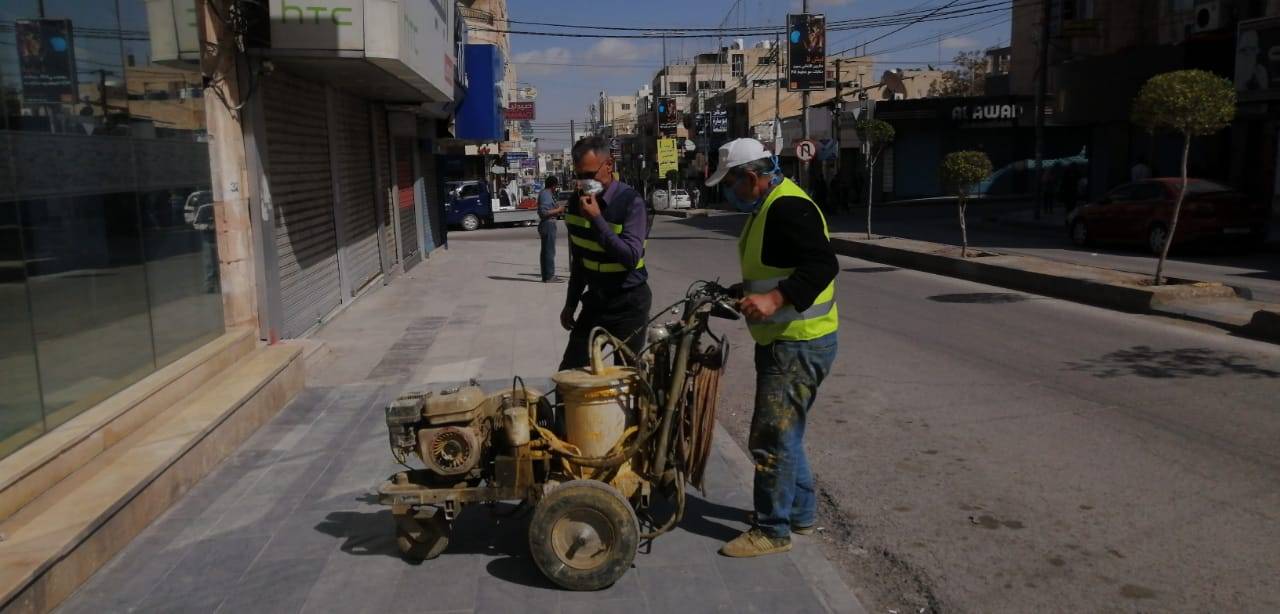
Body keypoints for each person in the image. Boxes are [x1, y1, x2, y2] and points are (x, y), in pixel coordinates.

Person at [705, 138, 839, 558]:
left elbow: (822, 263)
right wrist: (742, 292)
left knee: (770, 437)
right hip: (786, 340)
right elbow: (777, 267)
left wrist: (776, 300)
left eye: (730, 184)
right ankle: (799, 512)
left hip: (797, 344)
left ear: (750, 177)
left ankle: (772, 529)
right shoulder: (770, 205)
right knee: (787, 434)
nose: (728, 194)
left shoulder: (787, 206)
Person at [559, 136, 651, 370]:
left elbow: (630, 257)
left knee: (626, 377)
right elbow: (580, 260)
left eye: (590, 175)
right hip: (596, 302)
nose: (584, 183)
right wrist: (571, 304)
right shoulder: (575, 203)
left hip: (629, 302)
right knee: (571, 374)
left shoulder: (631, 202)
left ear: (608, 165)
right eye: (579, 176)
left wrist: (597, 219)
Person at [536, 176, 565, 283]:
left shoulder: (548, 194)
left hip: (549, 224)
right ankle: (549, 276)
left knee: (547, 251)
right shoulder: (545, 194)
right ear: (553, 185)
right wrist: (558, 209)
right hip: (548, 224)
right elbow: (543, 212)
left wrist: (557, 209)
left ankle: (547, 275)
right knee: (549, 251)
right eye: (556, 186)